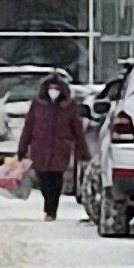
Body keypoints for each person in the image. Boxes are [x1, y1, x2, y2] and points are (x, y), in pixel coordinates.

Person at [15, 75, 91, 221]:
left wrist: (82, 150)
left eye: (56, 89)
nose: (53, 91)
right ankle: (48, 204)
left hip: (60, 148)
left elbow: (77, 130)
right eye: (51, 88)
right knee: (43, 178)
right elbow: (29, 126)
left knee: (56, 179)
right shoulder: (38, 104)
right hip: (40, 148)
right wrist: (22, 147)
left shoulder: (69, 106)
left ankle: (51, 209)